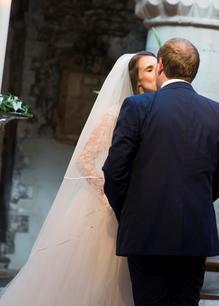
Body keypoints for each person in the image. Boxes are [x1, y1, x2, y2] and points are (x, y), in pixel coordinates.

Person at [0, 51, 157, 306]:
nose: (157, 72)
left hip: (137, 211)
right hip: (105, 208)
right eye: (149, 69)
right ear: (136, 81)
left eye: (156, 67)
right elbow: (85, 159)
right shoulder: (115, 113)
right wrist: (107, 193)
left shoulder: (157, 114)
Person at [103, 37, 219, 306]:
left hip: (146, 230)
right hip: (195, 232)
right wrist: (194, 204)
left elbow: (115, 171)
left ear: (161, 65)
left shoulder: (139, 107)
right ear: (194, 71)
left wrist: (130, 212)